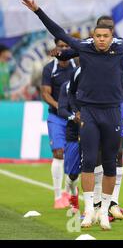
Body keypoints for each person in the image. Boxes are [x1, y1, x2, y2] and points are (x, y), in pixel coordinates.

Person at [22, 0, 123, 230]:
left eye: (106, 36)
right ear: (92, 37)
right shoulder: (83, 47)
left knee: (109, 163)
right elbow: (59, 31)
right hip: (89, 113)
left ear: (111, 37)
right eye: (98, 36)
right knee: (88, 163)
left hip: (113, 113)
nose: (102, 40)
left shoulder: (120, 47)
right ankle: (89, 212)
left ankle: (105, 211)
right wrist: (38, 11)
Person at [41, 39, 77, 209]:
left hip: (75, 118)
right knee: (58, 153)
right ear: (56, 48)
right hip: (56, 117)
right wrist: (61, 107)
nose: (63, 49)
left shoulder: (76, 66)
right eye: (60, 46)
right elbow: (45, 93)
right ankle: (57, 197)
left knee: (73, 157)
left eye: (66, 46)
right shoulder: (49, 68)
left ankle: (69, 193)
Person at [57, 75, 81, 212]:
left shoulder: (97, 80)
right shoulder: (67, 85)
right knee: (73, 174)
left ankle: (96, 208)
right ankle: (73, 194)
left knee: (97, 170)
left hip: (93, 131)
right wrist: (73, 117)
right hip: (74, 134)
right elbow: (61, 109)